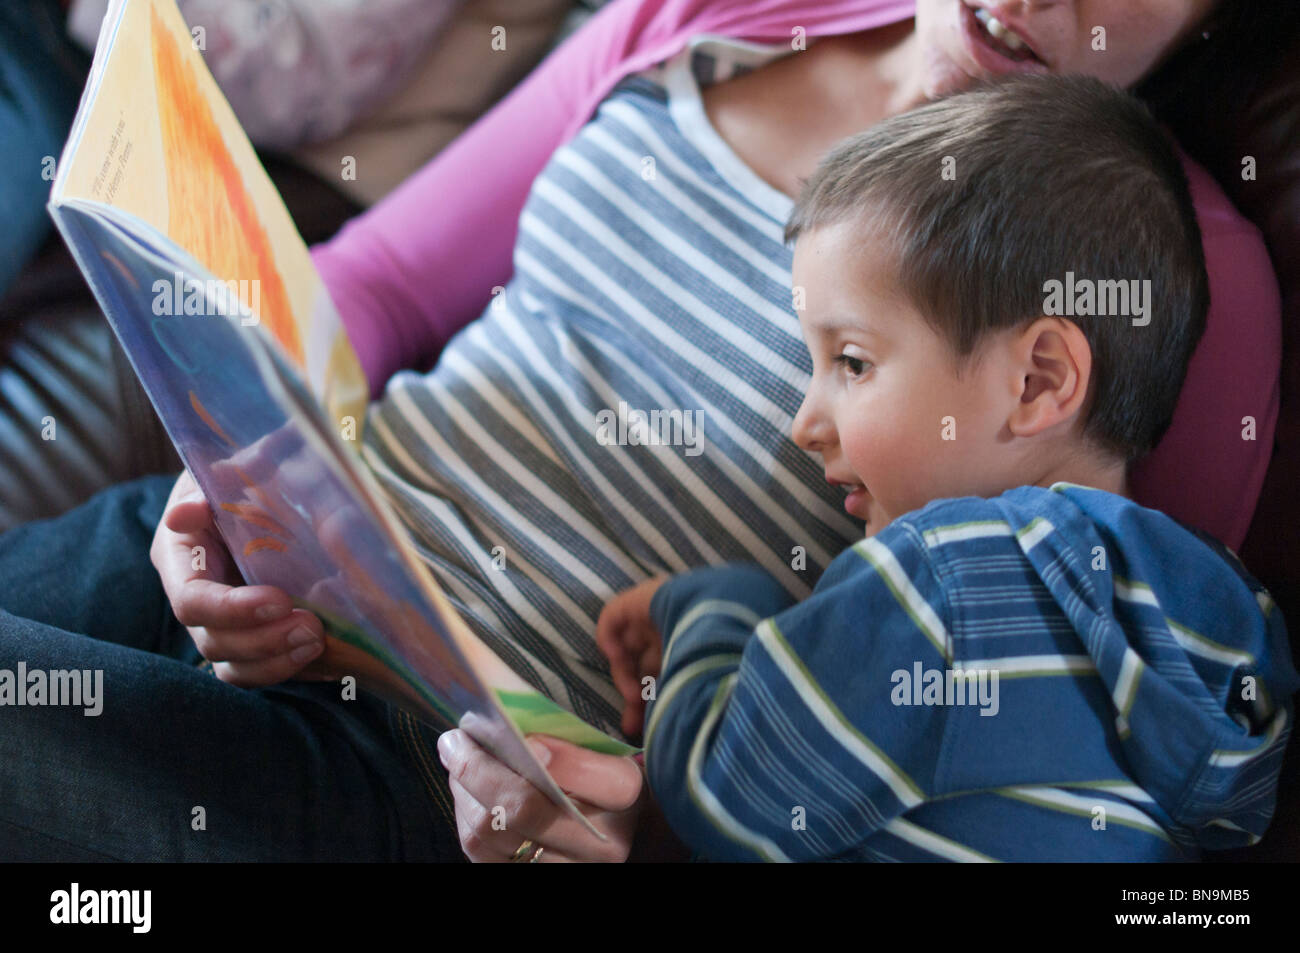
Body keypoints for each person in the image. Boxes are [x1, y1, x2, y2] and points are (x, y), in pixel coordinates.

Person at [0, 0, 1291, 861]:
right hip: (265, 549)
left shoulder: (1174, 270)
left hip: (444, 763)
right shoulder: (706, 21)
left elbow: (1082, 690)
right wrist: (211, 475)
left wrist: (656, 830)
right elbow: (383, 285)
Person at [595, 73, 1299, 861]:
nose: (804, 424)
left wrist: (717, 606)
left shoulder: (949, 581)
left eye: (852, 362)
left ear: (1037, 381)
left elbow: (728, 793)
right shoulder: (1229, 626)